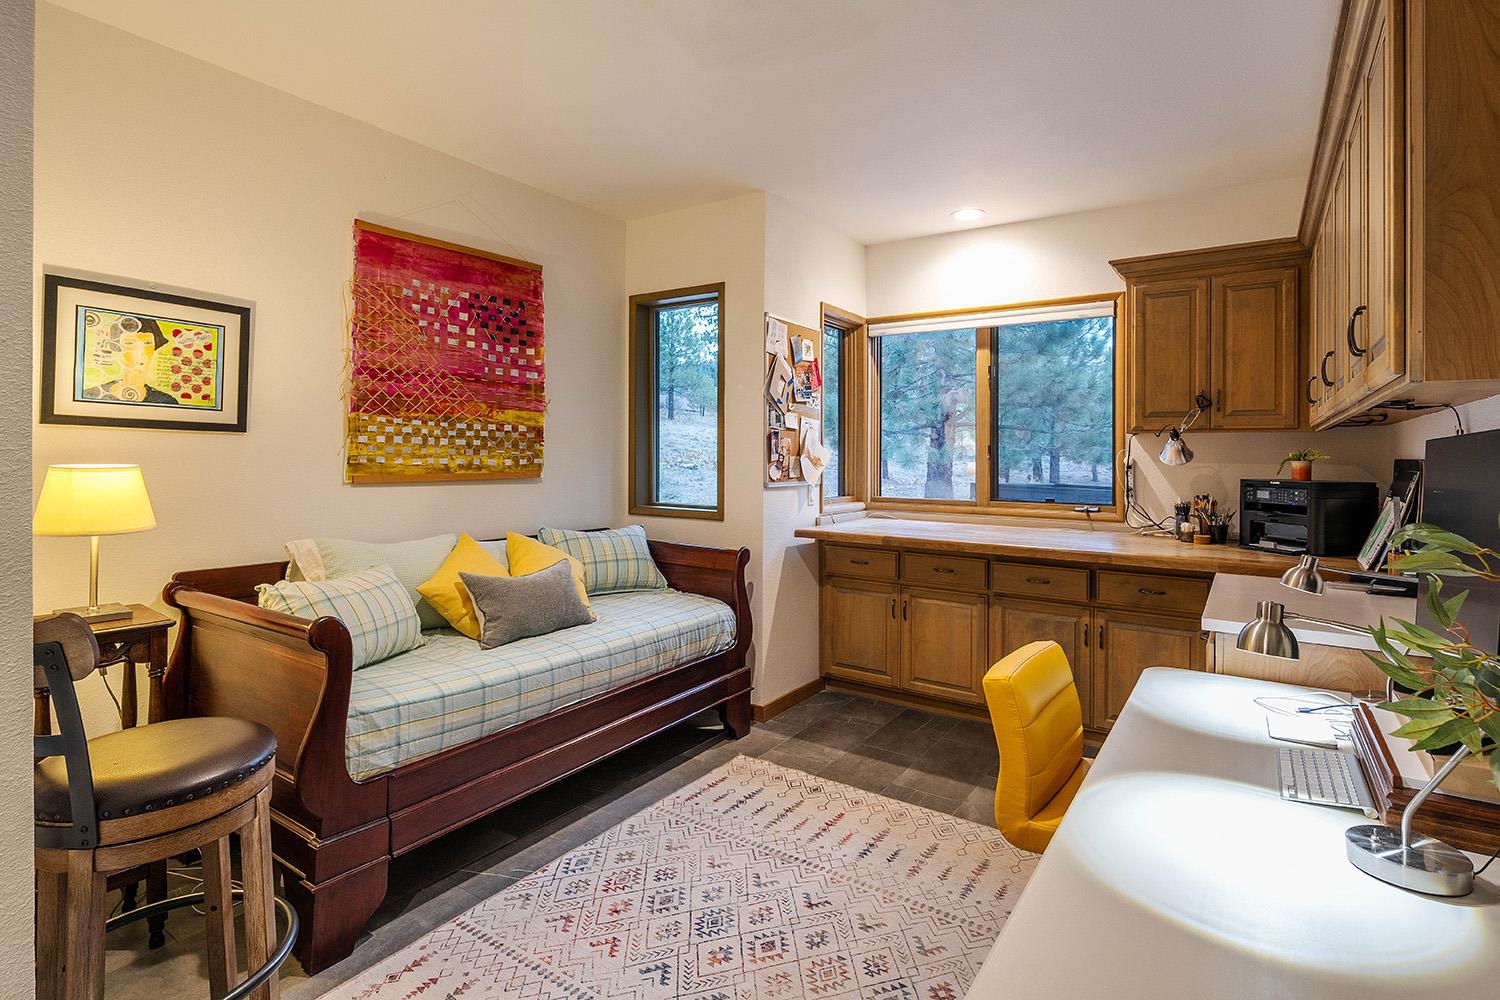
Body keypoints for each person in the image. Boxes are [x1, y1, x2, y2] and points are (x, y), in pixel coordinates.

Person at [85, 315, 177, 405]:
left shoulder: (166, 401)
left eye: (147, 343)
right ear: (119, 347)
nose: (140, 353)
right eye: (129, 343)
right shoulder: (91, 395)